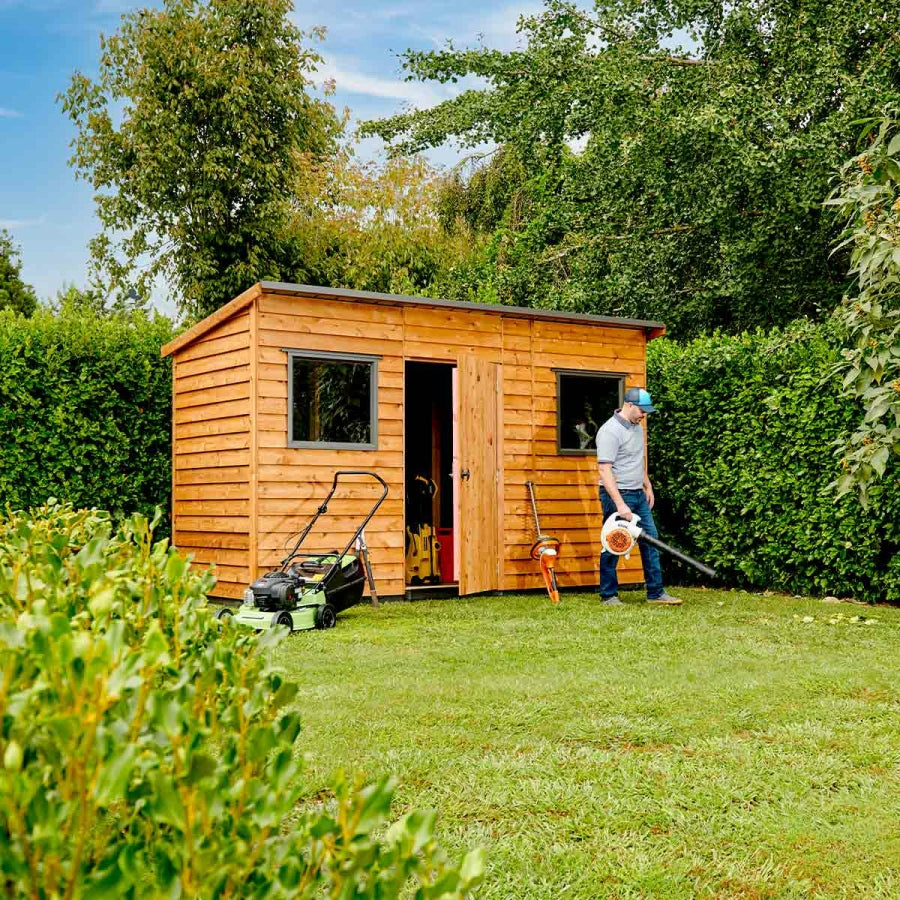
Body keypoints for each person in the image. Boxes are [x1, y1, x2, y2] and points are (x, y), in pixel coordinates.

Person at [595, 387, 682, 606]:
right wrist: (620, 504)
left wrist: (647, 484)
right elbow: (605, 471)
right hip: (617, 495)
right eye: (642, 411)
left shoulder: (637, 428)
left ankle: (655, 593)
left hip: (638, 494)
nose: (644, 415)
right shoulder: (610, 431)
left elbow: (637, 459)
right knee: (614, 543)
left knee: (650, 541)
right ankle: (609, 595)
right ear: (630, 405)